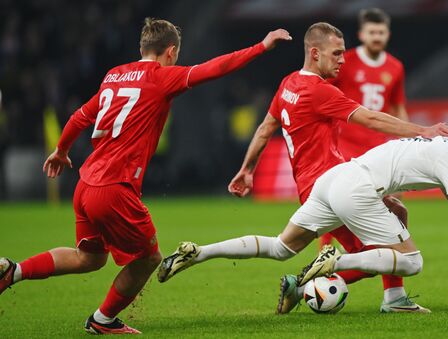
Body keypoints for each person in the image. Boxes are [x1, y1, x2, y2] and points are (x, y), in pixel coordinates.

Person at [0, 18, 291, 334]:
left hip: (85, 184)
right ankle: (103, 319)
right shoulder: (161, 77)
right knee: (149, 258)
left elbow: (79, 115)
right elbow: (215, 68)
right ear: (170, 52)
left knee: (89, 258)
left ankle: (13, 272)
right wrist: (261, 46)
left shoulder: (114, 75)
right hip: (113, 187)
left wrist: (61, 150)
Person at [157, 22, 448, 312]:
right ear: (315, 53)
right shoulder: (320, 91)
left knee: (280, 248)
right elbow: (372, 118)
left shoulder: (288, 84)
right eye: (336, 53)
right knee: (376, 255)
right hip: (338, 184)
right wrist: (423, 130)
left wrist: (247, 169)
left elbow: (264, 129)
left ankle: (200, 252)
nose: (342, 60)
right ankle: (336, 290)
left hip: (309, 189)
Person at [154, 125, 448, 314]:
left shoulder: (443, 151)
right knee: (412, 260)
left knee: (279, 247)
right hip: (357, 188)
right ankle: (337, 262)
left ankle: (198, 252)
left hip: (334, 179)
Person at [319, 7, 412, 311]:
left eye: (381, 32)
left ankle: (391, 295)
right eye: (371, 32)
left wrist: (408, 141)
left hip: (379, 153)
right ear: (361, 34)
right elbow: (325, 98)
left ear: (387, 34)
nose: (376, 37)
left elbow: (397, 107)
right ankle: (327, 256)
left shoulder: (395, 67)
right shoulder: (344, 62)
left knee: (392, 216)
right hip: (345, 150)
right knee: (343, 213)